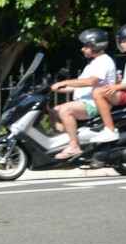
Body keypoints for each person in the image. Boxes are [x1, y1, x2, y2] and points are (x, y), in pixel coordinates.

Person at [49, 28, 118, 159]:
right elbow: (77, 86)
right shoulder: (92, 64)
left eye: (85, 46)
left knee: (65, 110)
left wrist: (65, 82)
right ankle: (65, 143)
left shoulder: (104, 61)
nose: (82, 49)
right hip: (85, 102)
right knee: (54, 111)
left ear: (95, 46)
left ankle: (74, 146)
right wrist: (54, 88)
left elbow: (90, 82)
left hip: (95, 104)